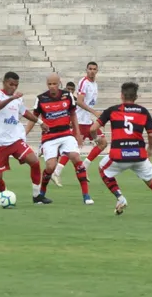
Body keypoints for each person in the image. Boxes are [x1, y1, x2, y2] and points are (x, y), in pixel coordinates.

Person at [90, 82, 152, 218]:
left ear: (121, 95)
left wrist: (96, 140)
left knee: (102, 169)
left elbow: (92, 128)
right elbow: (151, 133)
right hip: (139, 155)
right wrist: (149, 149)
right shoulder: (143, 111)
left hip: (119, 156)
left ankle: (120, 197)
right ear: (136, 97)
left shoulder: (112, 110)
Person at [26, 73, 94, 205]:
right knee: (50, 167)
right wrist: (24, 135)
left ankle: (86, 195)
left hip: (66, 134)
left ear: (59, 83)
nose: (52, 86)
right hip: (49, 136)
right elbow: (33, 118)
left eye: (54, 84)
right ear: (47, 84)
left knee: (76, 157)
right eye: (49, 84)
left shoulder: (67, 96)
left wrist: (77, 134)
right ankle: (42, 194)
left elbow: (73, 115)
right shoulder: (41, 98)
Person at [0, 72, 52, 204]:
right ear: (4, 82)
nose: (13, 87)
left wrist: (41, 123)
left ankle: (37, 196)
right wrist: (11, 98)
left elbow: (24, 112)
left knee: (35, 162)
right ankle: (6, 194)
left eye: (16, 85)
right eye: (11, 84)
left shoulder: (18, 99)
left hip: (15, 140)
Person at [53, 62, 107, 181]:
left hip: (87, 121)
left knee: (103, 143)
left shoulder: (95, 84)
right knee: (73, 149)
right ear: (86, 70)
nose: (92, 71)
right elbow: (80, 102)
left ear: (97, 71)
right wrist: (94, 112)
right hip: (81, 121)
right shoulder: (84, 82)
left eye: (94, 69)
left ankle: (84, 166)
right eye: (90, 69)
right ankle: (56, 172)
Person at [46, 81, 76, 187]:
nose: (70, 91)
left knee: (70, 152)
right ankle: (55, 172)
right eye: (68, 89)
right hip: (61, 131)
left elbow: (73, 114)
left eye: (72, 89)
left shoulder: (73, 100)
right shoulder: (60, 99)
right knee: (67, 152)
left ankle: (56, 172)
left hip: (76, 126)